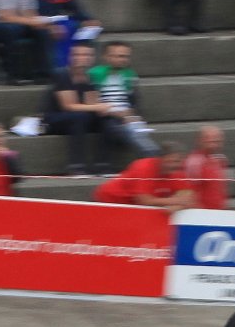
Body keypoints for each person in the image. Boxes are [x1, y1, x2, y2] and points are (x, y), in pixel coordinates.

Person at [45, 42, 112, 176]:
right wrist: (98, 106)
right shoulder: (63, 75)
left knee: (105, 119)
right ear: (70, 57)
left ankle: (102, 165)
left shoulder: (90, 77)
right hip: (55, 118)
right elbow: (68, 106)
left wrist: (103, 109)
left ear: (92, 58)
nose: (81, 58)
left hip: (80, 117)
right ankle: (76, 166)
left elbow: (91, 103)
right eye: (77, 54)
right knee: (80, 117)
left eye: (86, 55)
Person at [90, 41, 157, 160]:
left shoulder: (130, 74)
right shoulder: (95, 74)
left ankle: (151, 153)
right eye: (118, 56)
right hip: (105, 115)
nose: (123, 59)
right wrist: (117, 114)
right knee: (116, 127)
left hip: (126, 115)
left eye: (126, 56)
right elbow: (92, 102)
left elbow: (134, 99)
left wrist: (131, 114)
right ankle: (151, 154)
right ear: (106, 57)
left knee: (137, 128)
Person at [37, 0, 99, 69]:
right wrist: (50, 25)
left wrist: (88, 20)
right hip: (39, 22)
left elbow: (76, 9)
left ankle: (83, 67)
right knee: (63, 28)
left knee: (88, 29)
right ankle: (60, 68)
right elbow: (36, 12)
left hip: (59, 20)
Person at [93, 145, 195, 209]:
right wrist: (176, 202)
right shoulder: (143, 167)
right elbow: (144, 201)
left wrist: (176, 206)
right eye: (172, 161)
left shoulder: (176, 169)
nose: (176, 165)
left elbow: (187, 194)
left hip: (134, 204)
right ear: (160, 159)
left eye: (178, 162)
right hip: (111, 199)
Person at [183, 125, 227, 209]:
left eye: (217, 139)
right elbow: (189, 192)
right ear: (200, 140)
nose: (214, 142)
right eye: (209, 138)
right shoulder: (194, 162)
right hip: (203, 213)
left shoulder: (219, 160)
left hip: (219, 212)